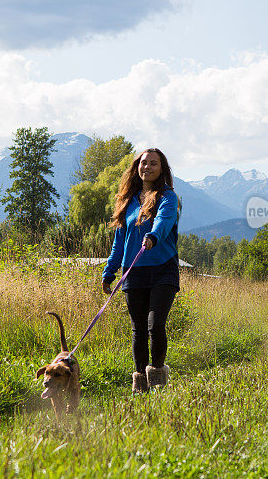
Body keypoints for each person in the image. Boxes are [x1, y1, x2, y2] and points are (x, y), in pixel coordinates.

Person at [102, 148, 179, 394]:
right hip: (134, 272)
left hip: (163, 270)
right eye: (144, 163)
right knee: (138, 330)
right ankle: (140, 388)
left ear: (161, 168)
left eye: (153, 163)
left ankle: (157, 382)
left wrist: (153, 236)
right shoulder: (128, 200)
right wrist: (109, 271)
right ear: (137, 167)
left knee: (155, 325)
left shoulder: (167, 197)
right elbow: (119, 242)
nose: (147, 167)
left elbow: (164, 221)